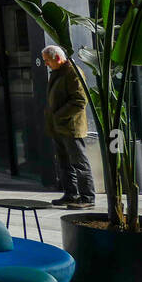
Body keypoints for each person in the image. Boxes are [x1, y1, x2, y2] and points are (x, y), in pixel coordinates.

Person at [43, 45, 95, 209]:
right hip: (58, 127)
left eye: (47, 61)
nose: (46, 64)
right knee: (64, 163)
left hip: (70, 127)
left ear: (57, 58)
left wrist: (58, 115)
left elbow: (80, 101)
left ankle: (87, 197)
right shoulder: (58, 72)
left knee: (79, 163)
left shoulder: (73, 72)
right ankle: (71, 194)